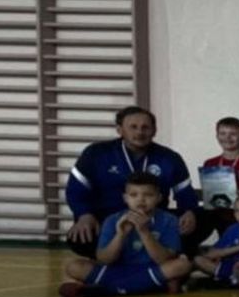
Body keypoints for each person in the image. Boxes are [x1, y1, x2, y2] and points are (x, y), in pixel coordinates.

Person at [66, 106, 201, 258]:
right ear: (120, 130)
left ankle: (166, 259)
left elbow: (185, 193)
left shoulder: (170, 158)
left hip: (155, 220)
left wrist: (189, 211)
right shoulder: (96, 153)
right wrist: (84, 214)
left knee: (201, 219)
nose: (139, 132)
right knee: (80, 238)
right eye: (133, 127)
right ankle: (114, 259)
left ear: (154, 130)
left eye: (145, 127)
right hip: (108, 219)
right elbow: (76, 190)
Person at [59, 172, 191, 297]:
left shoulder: (169, 220)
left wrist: (144, 232)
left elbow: (164, 260)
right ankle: (148, 287)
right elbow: (104, 259)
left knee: (182, 265)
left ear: (159, 198)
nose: (141, 199)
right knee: (74, 267)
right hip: (117, 270)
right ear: (125, 198)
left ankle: (106, 289)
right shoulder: (112, 220)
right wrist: (120, 235)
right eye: (134, 195)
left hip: (152, 269)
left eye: (148, 195)